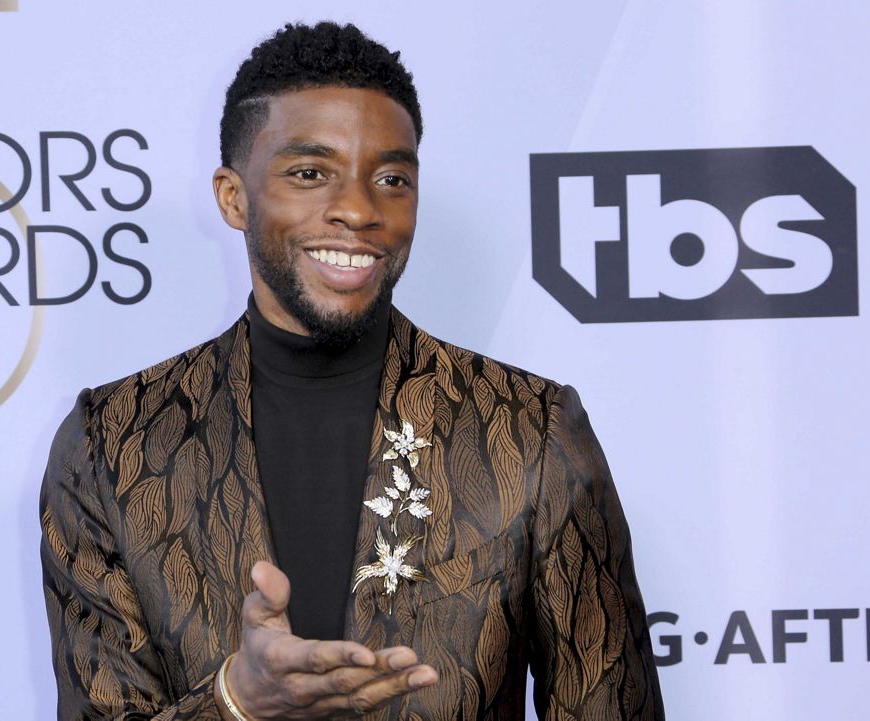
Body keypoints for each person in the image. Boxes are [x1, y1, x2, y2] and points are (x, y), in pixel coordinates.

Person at [40, 21, 664, 720]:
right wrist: (235, 702)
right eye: (311, 173)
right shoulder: (112, 444)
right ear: (233, 197)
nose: (360, 210)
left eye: (392, 178)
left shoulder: (529, 428)